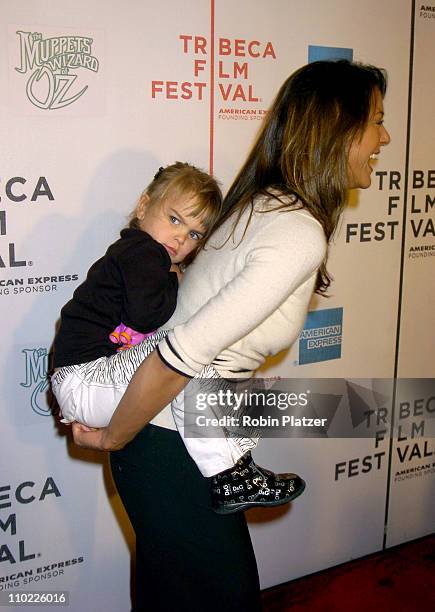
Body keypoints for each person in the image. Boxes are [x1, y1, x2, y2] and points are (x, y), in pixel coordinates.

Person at [72, 60, 391, 611]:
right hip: (166, 437)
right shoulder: (295, 229)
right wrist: (110, 437)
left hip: (168, 432)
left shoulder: (259, 203)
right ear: (338, 126)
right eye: (377, 121)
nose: (384, 137)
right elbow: (177, 358)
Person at [51, 161, 302, 513]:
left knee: (189, 356)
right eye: (174, 219)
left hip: (94, 382)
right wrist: (177, 278)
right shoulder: (141, 252)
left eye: (195, 234)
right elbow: (147, 315)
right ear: (143, 207)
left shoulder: (145, 257)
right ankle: (232, 476)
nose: (181, 237)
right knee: (187, 349)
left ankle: (235, 471)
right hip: (84, 380)